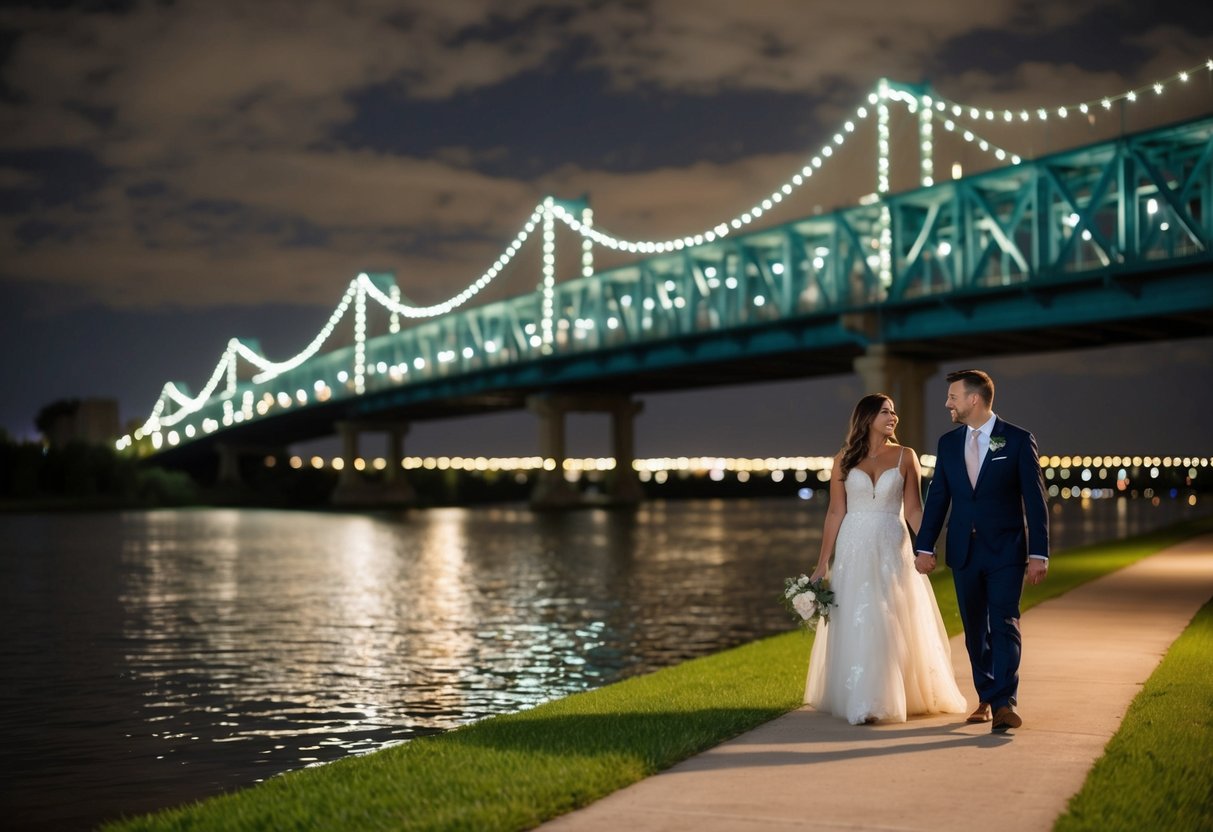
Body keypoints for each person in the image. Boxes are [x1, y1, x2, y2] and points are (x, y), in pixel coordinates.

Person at [805, 394, 967, 725]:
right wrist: (823, 562)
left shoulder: (906, 456)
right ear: (866, 418)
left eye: (894, 411)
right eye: (885, 412)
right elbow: (836, 511)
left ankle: (892, 695)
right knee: (861, 616)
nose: (893, 416)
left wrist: (927, 547)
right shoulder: (843, 460)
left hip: (893, 544)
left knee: (891, 614)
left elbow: (914, 508)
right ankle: (863, 699)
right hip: (854, 545)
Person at [914, 369, 1049, 734]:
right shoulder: (947, 444)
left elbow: (1035, 501)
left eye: (953, 397)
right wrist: (924, 546)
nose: (948, 403)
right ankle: (986, 695)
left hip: (1006, 549)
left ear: (974, 399)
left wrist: (1040, 552)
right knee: (976, 630)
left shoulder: (1018, 440)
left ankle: (1004, 703)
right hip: (964, 551)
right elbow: (938, 497)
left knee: (1005, 623)